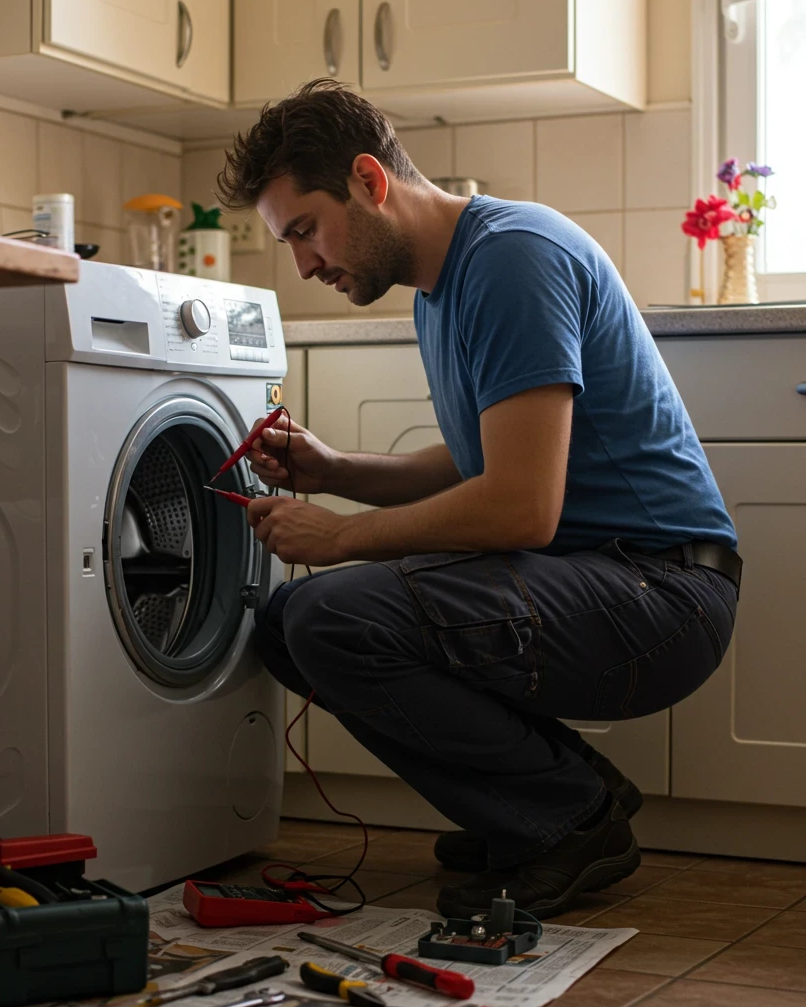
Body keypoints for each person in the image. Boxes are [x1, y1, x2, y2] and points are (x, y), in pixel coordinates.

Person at [215, 79, 741, 919]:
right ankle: (543, 798)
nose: (305, 263)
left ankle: (569, 818)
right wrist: (334, 468)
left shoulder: (510, 258)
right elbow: (479, 465)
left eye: (305, 230)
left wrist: (342, 537)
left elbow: (519, 509)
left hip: (663, 594)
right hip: (600, 578)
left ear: (368, 180)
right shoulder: (442, 283)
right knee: (289, 626)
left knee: (330, 615)